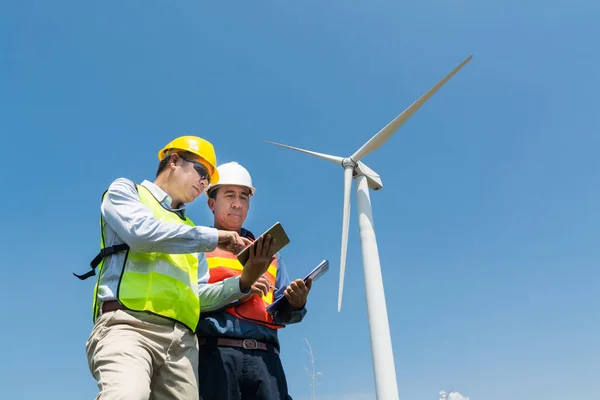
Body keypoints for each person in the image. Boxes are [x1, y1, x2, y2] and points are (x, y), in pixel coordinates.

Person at [75, 136, 277, 400]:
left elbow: (199, 296)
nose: (203, 183)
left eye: (207, 180)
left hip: (182, 344)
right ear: (174, 160)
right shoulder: (126, 192)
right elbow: (141, 234)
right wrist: (214, 238)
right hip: (129, 327)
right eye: (201, 172)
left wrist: (242, 283)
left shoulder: (192, 231)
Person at [196, 161, 312, 400]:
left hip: (266, 359)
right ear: (211, 203)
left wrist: (295, 304)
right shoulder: (197, 245)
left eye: (244, 196)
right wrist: (243, 287)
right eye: (229, 195)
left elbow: (281, 311)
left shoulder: (270, 251)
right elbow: (189, 299)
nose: (237, 203)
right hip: (216, 356)